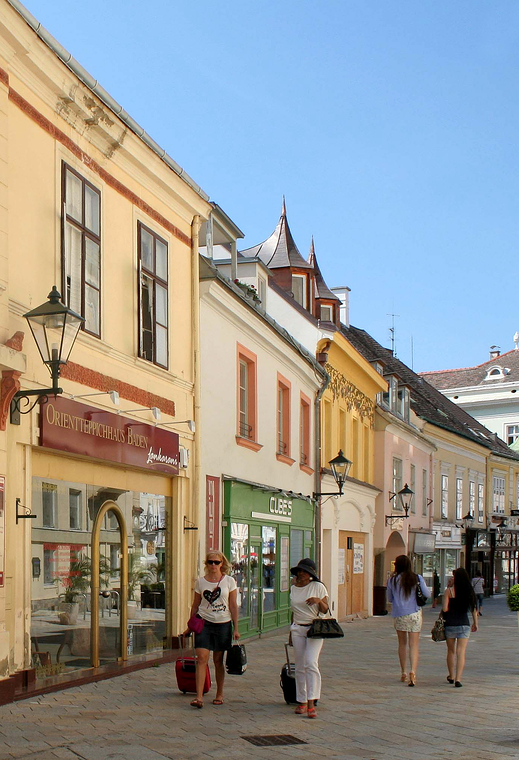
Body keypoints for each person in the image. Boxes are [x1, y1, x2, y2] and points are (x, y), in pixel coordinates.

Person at [185, 550, 240, 708]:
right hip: (204, 623)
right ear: (206, 564)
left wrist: (236, 628)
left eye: (217, 562)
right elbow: (195, 605)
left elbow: (233, 605)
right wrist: (190, 626)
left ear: (222, 564)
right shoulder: (201, 582)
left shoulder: (229, 581)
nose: (213, 565)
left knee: (218, 660)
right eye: (211, 562)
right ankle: (199, 697)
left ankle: (219, 693)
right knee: (201, 658)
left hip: (223, 623)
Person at [289, 558, 329, 719]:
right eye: (300, 571)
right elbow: (294, 611)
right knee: (299, 665)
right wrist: (290, 632)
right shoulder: (293, 588)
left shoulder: (318, 587)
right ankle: (302, 700)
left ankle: (312, 701)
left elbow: (326, 610)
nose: (302, 574)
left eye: (305, 571)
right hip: (297, 627)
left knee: (311, 663)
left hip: (314, 628)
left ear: (311, 574)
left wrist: (318, 601)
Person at [386, 555, 431, 687]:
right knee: (414, 644)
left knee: (402, 644)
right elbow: (427, 594)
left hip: (399, 613)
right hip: (415, 613)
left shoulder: (392, 580)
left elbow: (389, 598)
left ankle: (403, 671)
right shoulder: (417, 578)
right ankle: (413, 671)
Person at [443, 567, 478, 687]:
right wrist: (475, 623)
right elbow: (474, 609)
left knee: (451, 651)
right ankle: (458, 679)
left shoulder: (449, 591)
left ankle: (451, 675)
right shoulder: (469, 591)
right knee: (461, 652)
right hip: (464, 624)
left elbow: (444, 609)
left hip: (450, 624)